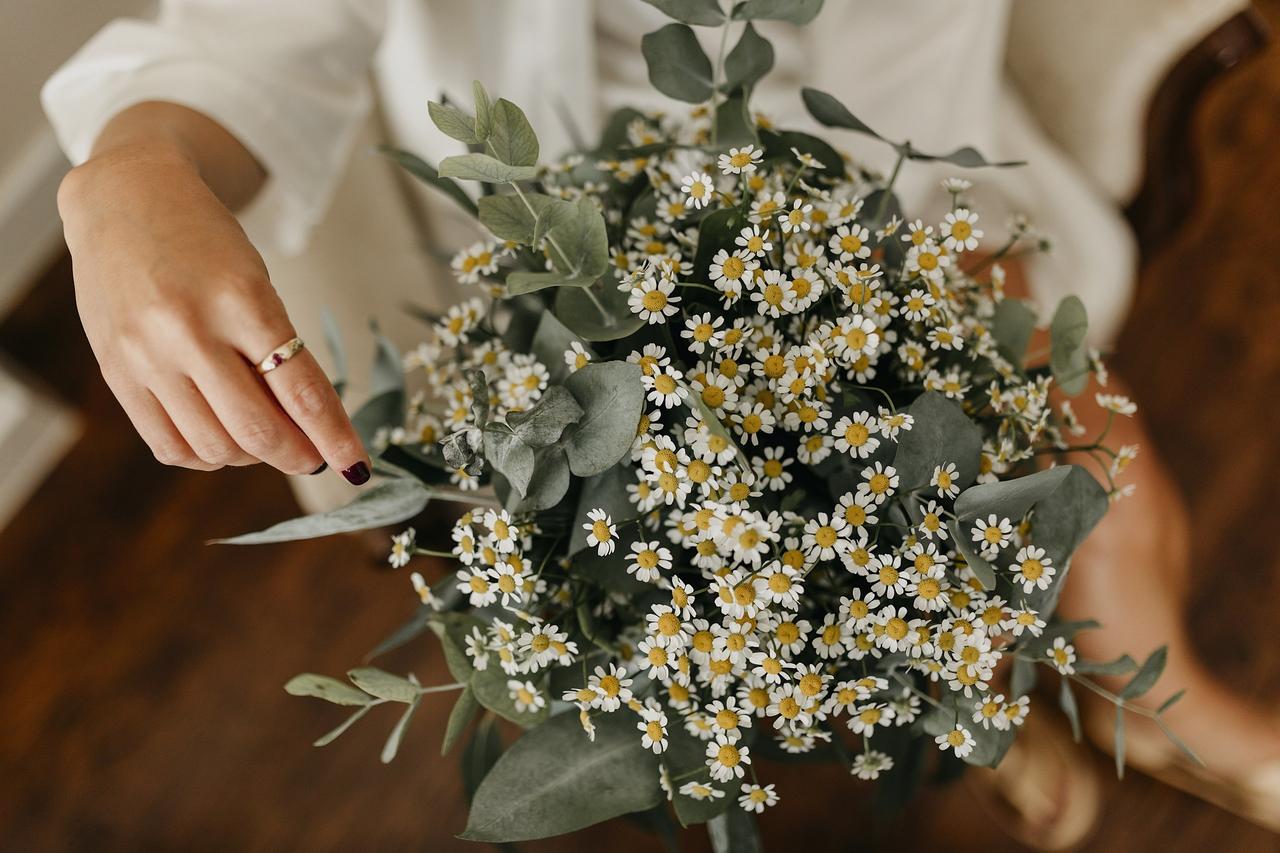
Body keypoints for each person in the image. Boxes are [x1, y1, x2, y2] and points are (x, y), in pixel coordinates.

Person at [42, 0, 1279, 839]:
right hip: (567, 242)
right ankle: (962, 693)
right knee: (775, 599)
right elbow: (249, 39)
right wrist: (131, 167)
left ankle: (1098, 686)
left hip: (880, 171)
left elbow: (911, 81)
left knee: (1082, 485)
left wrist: (896, 282)